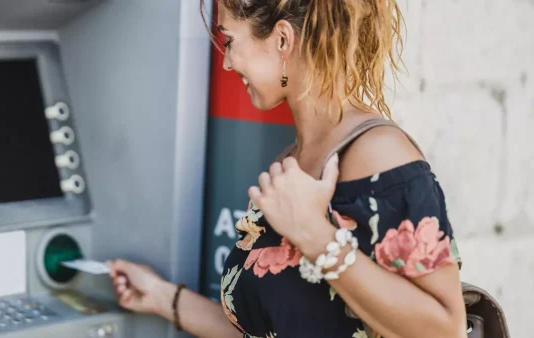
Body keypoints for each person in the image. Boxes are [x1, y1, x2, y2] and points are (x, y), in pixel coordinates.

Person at [107, 1, 467, 337]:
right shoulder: (289, 161)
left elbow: (446, 328)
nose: (227, 63)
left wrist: (315, 235)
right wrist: (159, 296)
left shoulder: (377, 155)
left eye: (229, 41)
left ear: (282, 39)